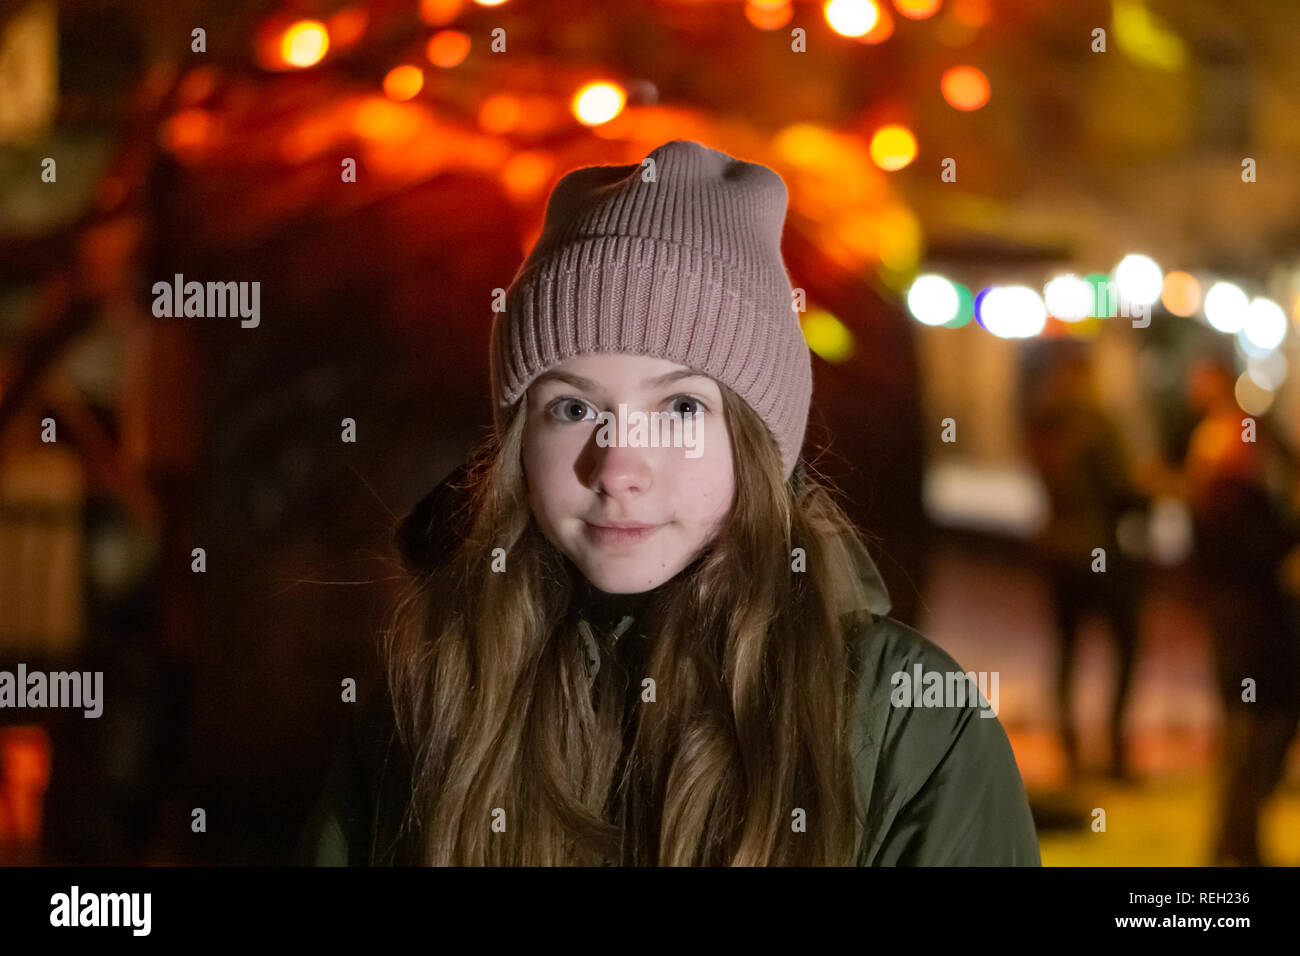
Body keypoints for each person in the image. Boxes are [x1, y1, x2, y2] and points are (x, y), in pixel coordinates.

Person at [298, 140, 1039, 866]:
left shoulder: (914, 725)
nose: (619, 467)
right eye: (572, 409)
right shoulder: (429, 703)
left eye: (681, 408)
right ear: (518, 442)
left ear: (755, 443)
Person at [1182, 354, 1300, 866]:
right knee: (1252, 745)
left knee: (1247, 746)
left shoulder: (1223, 486)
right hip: (1251, 636)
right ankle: (1233, 850)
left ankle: (1236, 847)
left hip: (1243, 634)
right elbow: (1262, 552)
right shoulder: (1232, 494)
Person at [1020, 341, 1146, 781]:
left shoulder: (1040, 422)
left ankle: (1069, 749)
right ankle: (1113, 750)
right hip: (1099, 549)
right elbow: (1121, 489)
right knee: (1126, 644)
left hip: (1055, 547)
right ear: (1082, 374)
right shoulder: (1095, 423)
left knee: (1067, 648)